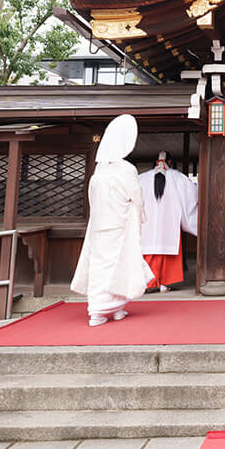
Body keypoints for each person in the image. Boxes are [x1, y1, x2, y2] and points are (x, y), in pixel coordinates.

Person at [71, 114, 154, 326]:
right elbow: (136, 196)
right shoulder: (126, 169)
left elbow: (91, 199)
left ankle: (115, 308)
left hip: (100, 225)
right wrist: (139, 213)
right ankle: (99, 310)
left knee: (101, 265)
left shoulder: (98, 173)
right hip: (119, 225)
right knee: (118, 265)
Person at [138, 150, 198, 292]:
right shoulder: (179, 178)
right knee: (167, 248)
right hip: (169, 223)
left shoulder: (142, 178)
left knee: (148, 249)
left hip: (147, 223)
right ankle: (165, 283)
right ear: (170, 162)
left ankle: (148, 284)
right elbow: (193, 194)